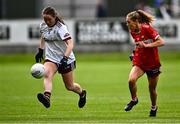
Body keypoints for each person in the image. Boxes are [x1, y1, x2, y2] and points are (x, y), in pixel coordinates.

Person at [35, 6, 86, 109]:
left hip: (66, 58)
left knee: (70, 86)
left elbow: (70, 44)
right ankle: (47, 97)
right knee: (47, 75)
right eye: (45, 19)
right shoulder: (43, 25)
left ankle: (82, 94)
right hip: (51, 58)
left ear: (54, 17)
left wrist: (65, 58)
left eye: (49, 19)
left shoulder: (61, 28)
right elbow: (43, 36)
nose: (47, 22)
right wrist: (40, 49)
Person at [124, 10, 164, 117]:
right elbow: (139, 44)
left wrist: (146, 46)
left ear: (136, 21)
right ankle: (134, 99)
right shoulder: (132, 31)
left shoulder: (147, 28)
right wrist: (134, 52)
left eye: (129, 22)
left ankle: (154, 107)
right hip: (140, 61)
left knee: (152, 89)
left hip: (153, 63)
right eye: (127, 23)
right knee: (131, 80)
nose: (128, 25)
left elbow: (161, 42)